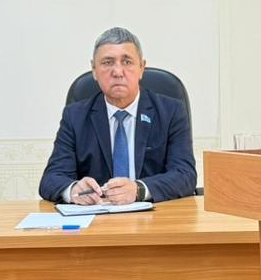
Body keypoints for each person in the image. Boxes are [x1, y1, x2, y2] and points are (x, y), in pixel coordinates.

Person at [39, 27, 197, 205]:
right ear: (94, 70)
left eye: (127, 62)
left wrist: (139, 189)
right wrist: (73, 189)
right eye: (107, 62)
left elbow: (185, 175)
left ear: (142, 68)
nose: (118, 72)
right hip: (97, 216)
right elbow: (51, 179)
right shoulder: (75, 116)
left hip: (154, 215)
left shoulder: (171, 111)